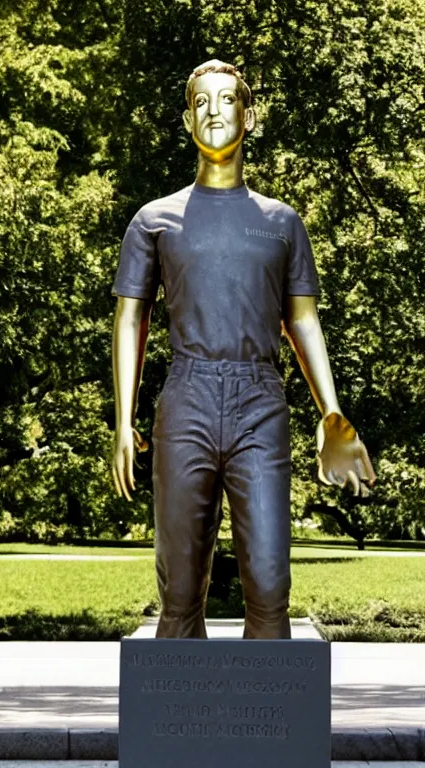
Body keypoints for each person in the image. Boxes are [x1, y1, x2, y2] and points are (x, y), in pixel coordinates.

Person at [111, 60, 375, 640]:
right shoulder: (155, 220)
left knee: (269, 584)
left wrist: (331, 413)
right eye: (201, 101)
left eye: (226, 99)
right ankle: (183, 728)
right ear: (187, 120)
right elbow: (132, 317)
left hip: (261, 400)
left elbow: (301, 320)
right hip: (187, 399)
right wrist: (123, 421)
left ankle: (270, 726)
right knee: (178, 592)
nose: (213, 111)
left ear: (248, 116)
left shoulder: (282, 224)